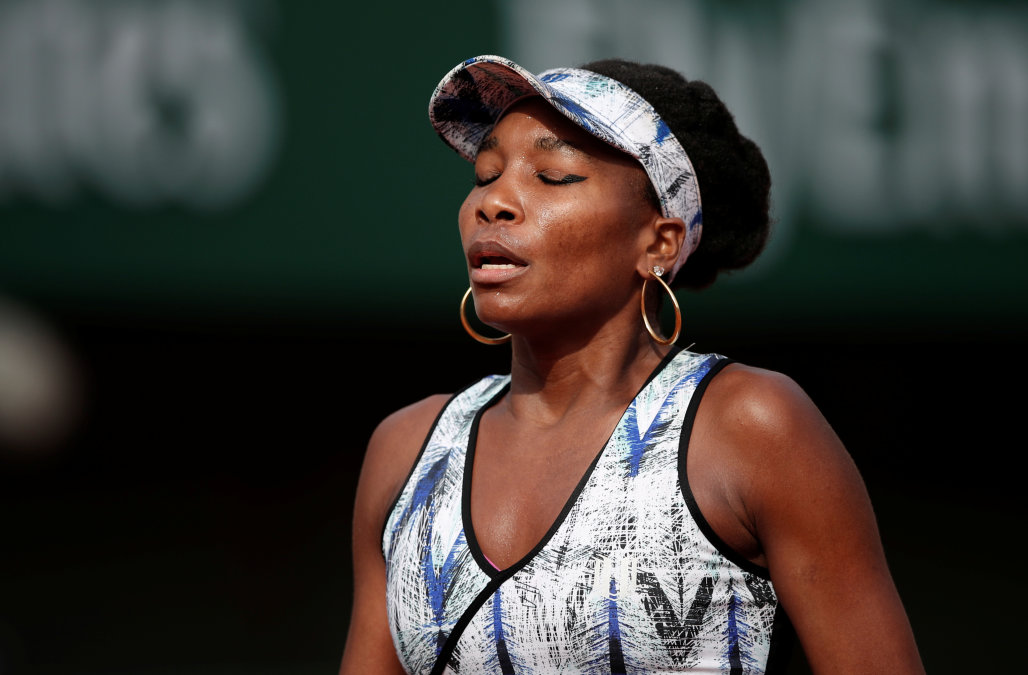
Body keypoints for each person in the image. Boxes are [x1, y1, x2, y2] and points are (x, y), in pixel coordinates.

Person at [339, 54, 925, 674]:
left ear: (658, 243)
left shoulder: (751, 428)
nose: (495, 202)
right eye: (486, 175)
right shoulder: (407, 452)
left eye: (554, 175)